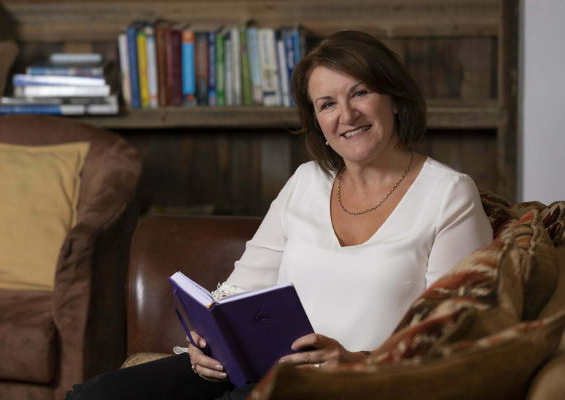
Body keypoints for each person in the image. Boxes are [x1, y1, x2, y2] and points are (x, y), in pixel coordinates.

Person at [63, 30, 493, 400]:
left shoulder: (449, 194)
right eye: (327, 104)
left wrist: (358, 360)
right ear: (317, 122)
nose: (346, 115)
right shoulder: (307, 182)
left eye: (360, 92)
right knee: (96, 395)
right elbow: (239, 288)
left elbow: (454, 336)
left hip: (357, 384)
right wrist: (206, 338)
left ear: (395, 100)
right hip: (260, 366)